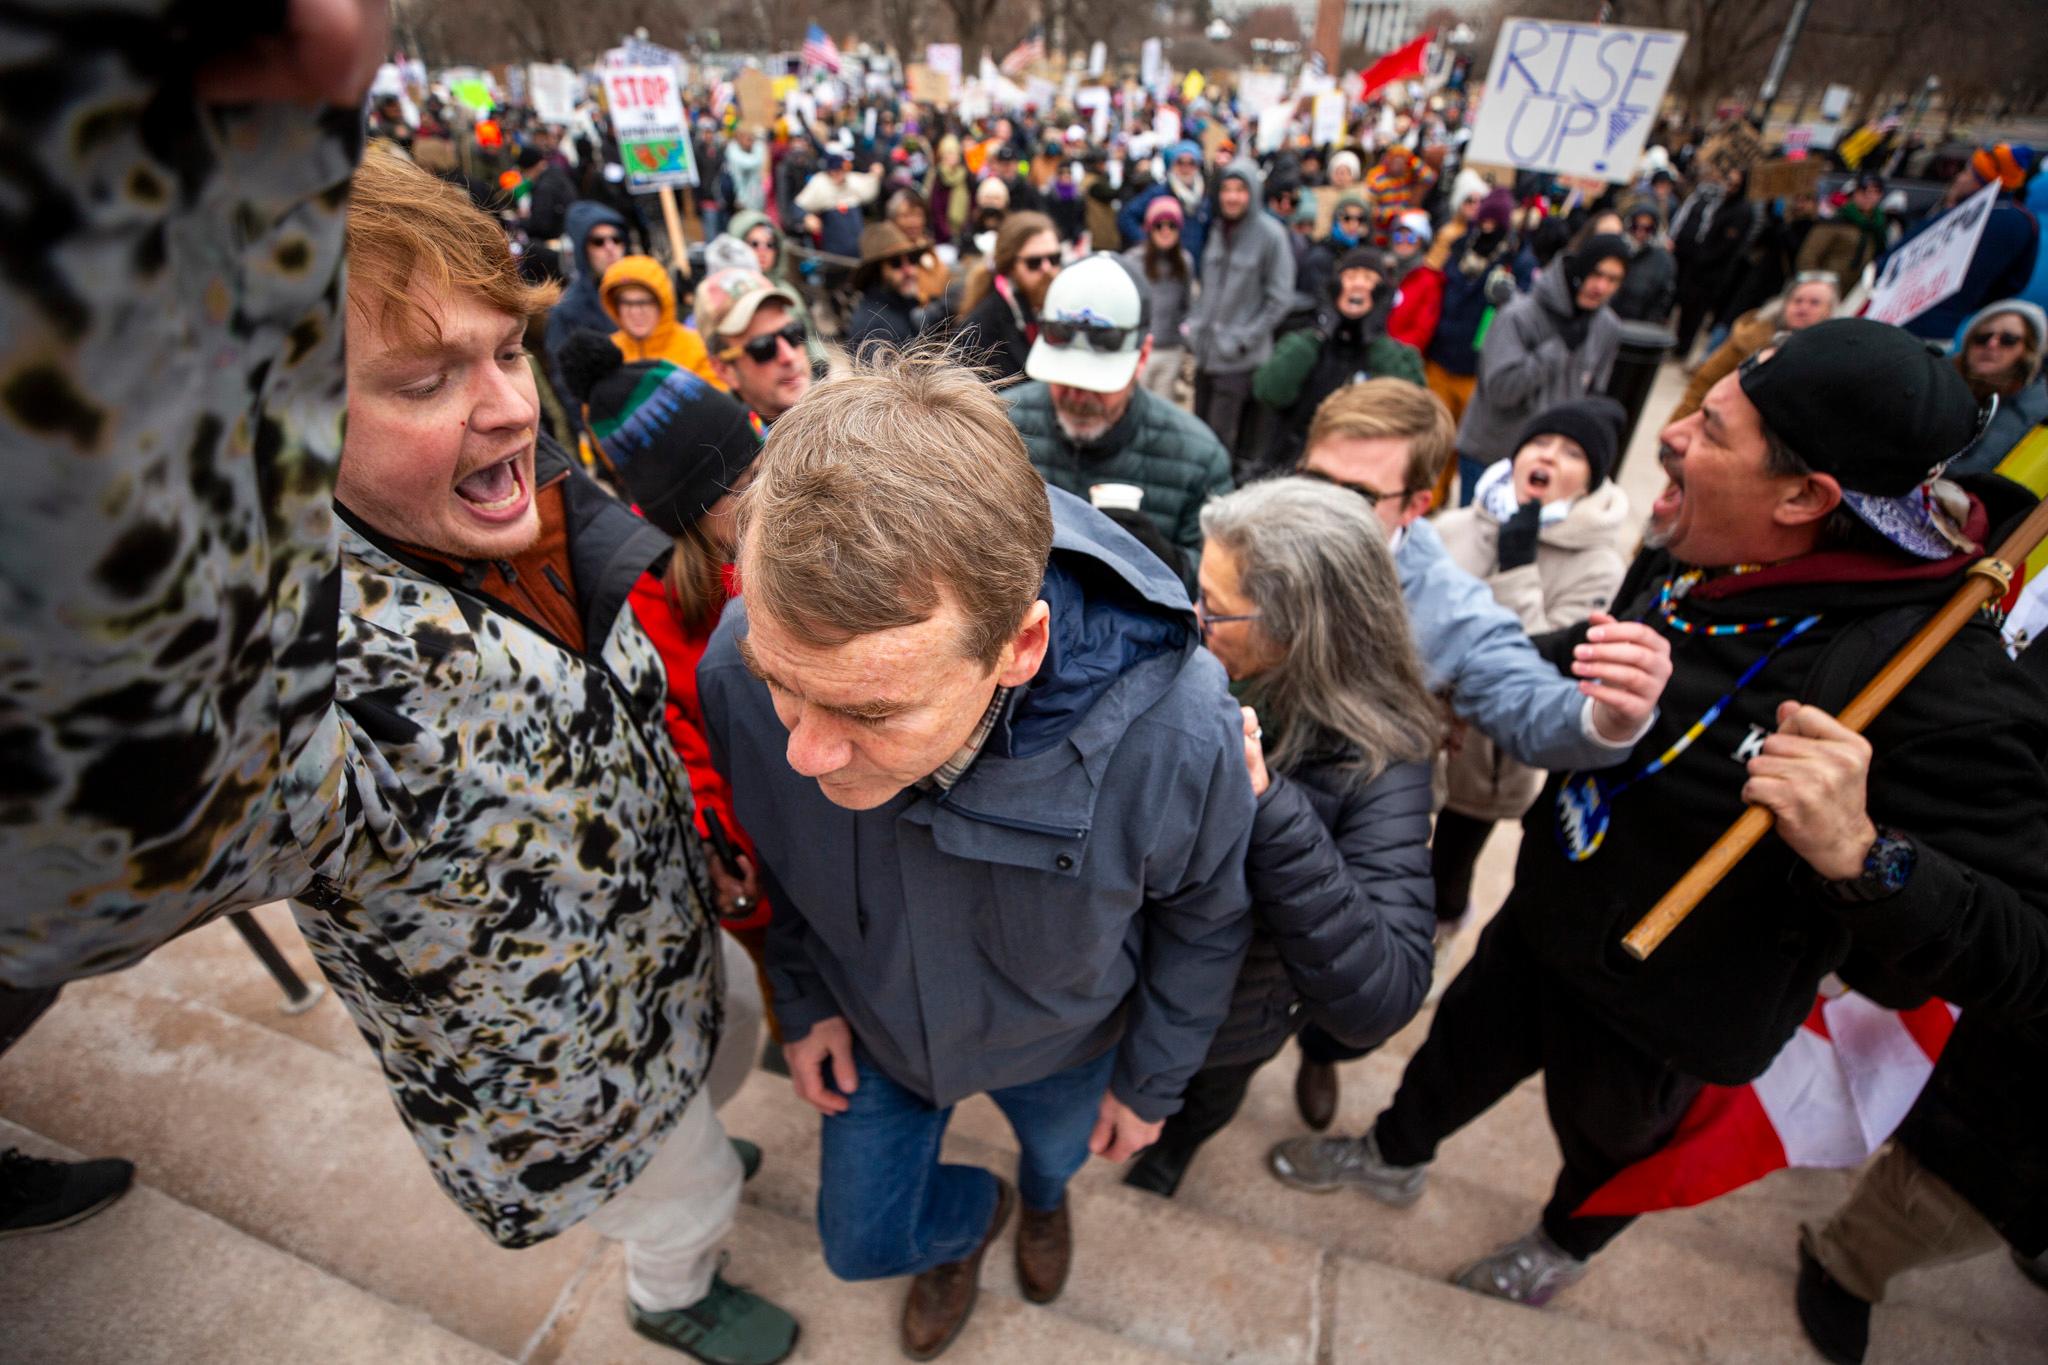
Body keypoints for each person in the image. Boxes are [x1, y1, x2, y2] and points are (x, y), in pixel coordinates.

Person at [1270, 318, 2048, 1311]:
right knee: (1453, 1052)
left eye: (1710, 431)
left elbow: (2025, 949)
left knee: (1609, 1147)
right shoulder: (1692, 541)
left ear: (1804, 497)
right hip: (1545, 917)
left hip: (1672, 1010)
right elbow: (1601, 646)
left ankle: (1561, 1245)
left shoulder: (1934, 682)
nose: (1668, 437)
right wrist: (1467, 687)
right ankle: (1390, 1152)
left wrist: (1862, 851)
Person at [697, 354, 1255, 1360]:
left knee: (1055, 1162)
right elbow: (776, 853)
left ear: (1021, 646)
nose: (803, 752)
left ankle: (1039, 1201)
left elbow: (1207, 917)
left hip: (1064, 1049)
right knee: (860, 1245)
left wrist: (1154, 1083)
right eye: (784, 682)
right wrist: (805, 997)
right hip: (874, 1027)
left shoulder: (1178, 738)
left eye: (872, 710)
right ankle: (972, 1219)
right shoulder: (737, 664)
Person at [1283, 379, 1673, 1128]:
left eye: (1357, 494)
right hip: (1247, 810)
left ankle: (1321, 1056)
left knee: (1344, 980)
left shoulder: (1445, 601)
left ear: (1413, 505)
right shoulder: (1262, 527)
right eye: (1315, 480)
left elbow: (1534, 707)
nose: (1324, 509)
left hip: (1356, 826)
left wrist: (1612, 714)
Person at [1121, 478, 1440, 1198]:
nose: (1194, 617)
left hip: (1236, 1015)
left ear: (1295, 630)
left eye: (1216, 607)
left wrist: (1269, 805)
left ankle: (1174, 1155)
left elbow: (1384, 993)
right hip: (1134, 979)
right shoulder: (1201, 660)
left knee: (1206, 1094)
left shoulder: (1383, 755)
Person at [558, 335, 779, 968]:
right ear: (690, 512)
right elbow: (692, 765)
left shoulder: (774, 545)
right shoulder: (648, 618)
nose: (767, 494)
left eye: (765, 467)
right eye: (741, 487)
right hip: (772, 884)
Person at [1426, 397, 1631, 928]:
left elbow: (1546, 658)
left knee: (1448, 867)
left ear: (1590, 480)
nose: (1549, 457)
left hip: (1489, 752)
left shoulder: (1600, 564)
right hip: (1417, 730)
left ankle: (1443, 929)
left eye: (1571, 453)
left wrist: (1519, 564)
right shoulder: (1455, 525)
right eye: (1539, 443)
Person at [1004, 255, 1232, 587]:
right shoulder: (1002, 427)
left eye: (1098, 383)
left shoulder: (1200, 459)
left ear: (1142, 357)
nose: (1078, 397)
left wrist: (1170, 563)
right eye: (1063, 378)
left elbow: (1225, 583)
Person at [1451, 234, 1627, 503]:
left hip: (1549, 466)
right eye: (1597, 274)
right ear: (1581, 269)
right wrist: (1556, 350)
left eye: (1613, 280)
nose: (1601, 287)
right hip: (1493, 455)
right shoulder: (1519, 315)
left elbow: (1592, 393)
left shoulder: (1607, 326)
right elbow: (1502, 390)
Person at [1253, 248, 1424, 474]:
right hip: (1292, 466)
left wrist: (1374, 339)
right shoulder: (1304, 341)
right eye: (1351, 277)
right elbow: (1269, 391)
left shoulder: (1398, 354)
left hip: (1361, 469)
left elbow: (1412, 410)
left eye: (1369, 279)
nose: (1359, 285)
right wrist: (1320, 334)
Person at [1186, 158, 1298, 471]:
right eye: (1227, 189)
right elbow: (1208, 286)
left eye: (1240, 190)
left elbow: (1279, 298)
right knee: (1199, 432)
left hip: (1239, 360)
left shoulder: (1271, 235)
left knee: (1222, 440)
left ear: (1253, 193)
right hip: (1206, 353)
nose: (1232, 197)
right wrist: (1193, 328)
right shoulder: (1219, 229)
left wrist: (1244, 338)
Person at [1877, 143, 2040, 344]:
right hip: (1948, 329)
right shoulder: (2025, 223)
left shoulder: (1963, 214)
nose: (1960, 177)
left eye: (1967, 171)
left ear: (1982, 180)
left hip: (1899, 320)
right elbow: (2014, 283)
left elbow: (1892, 261)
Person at [1667, 271, 1838, 425]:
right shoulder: (1749, 339)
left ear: (1829, 311)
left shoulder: (1831, 358)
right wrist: (1678, 425)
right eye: (1797, 300)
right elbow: (1703, 384)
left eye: (1814, 302)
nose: (1803, 307)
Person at [1420, 187, 1521, 433]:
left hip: (1475, 363)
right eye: (1485, 218)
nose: (1488, 225)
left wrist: (1509, 297)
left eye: (1494, 220)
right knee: (1431, 429)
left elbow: (1522, 310)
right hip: (1440, 351)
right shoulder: (1460, 246)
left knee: (1458, 434)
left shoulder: (1513, 259)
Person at [957, 211, 1061, 383]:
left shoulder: (1061, 308)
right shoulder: (981, 329)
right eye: (1034, 262)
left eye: (1054, 258)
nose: (1047, 269)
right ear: (1010, 266)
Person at [699, 273, 815, 428]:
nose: (789, 356)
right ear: (725, 370)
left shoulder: (843, 417)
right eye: (763, 346)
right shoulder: (726, 447)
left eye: (793, 333)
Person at [1948, 300, 2048, 477]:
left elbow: (1979, 466)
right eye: (1982, 337)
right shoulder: (1938, 379)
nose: (1992, 344)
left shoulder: (2031, 407)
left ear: (2027, 351)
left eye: (2007, 340)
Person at [1670, 165, 1757, 361]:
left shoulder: (1742, 211)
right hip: (1698, 267)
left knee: (1695, 312)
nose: (1729, 187)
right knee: (1686, 307)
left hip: (1711, 274)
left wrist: (1702, 257)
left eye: (1735, 184)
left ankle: (1683, 348)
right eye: (1729, 182)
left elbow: (1726, 246)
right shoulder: (1724, 203)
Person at [601, 254, 724, 389]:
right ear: (615, 306)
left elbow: (718, 403)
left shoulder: (696, 348)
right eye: (626, 303)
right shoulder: (607, 354)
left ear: (662, 303)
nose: (635, 312)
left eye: (645, 302)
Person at [543, 200, 629, 386]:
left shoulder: (644, 290)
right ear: (583, 249)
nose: (610, 248)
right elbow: (565, 379)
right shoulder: (568, 310)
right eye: (598, 242)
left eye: (617, 239)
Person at [1123, 196, 1196, 400]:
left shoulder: (1185, 262)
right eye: (1159, 225)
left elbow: (1188, 305)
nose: (1165, 231)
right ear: (1149, 228)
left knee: (1163, 405)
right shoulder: (1133, 260)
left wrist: (1187, 334)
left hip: (1171, 348)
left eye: (1172, 225)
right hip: (1139, 349)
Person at [846, 222, 947, 349]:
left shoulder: (897, 306)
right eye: (896, 263)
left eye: (912, 258)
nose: (909, 270)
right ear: (876, 272)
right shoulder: (876, 330)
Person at [1796, 171, 1889, 293]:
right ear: (1855, 193)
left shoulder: (1878, 227)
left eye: (1875, 192)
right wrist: (1814, 286)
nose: (1868, 197)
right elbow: (1808, 258)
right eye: (1863, 191)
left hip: (1856, 292)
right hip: (1827, 288)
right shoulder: (1835, 222)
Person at [1121, 141, 1211, 262]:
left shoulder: (1203, 195)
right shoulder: (1159, 192)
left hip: (1193, 264)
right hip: (1163, 262)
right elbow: (1127, 216)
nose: (1186, 167)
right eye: (1180, 162)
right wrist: (1147, 241)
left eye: (1191, 163)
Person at [1611, 204, 1677, 323]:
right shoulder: (1615, 247)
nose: (1640, 233)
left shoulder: (1663, 260)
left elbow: (1663, 298)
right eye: (1635, 226)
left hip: (1638, 325)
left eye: (1648, 229)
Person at [725, 125, 768, 216]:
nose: (751, 142)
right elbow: (751, 163)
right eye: (748, 139)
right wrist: (760, 148)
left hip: (756, 202)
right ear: (739, 139)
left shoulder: (751, 151)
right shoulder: (733, 152)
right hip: (740, 202)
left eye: (752, 139)